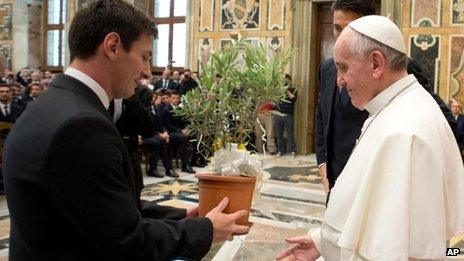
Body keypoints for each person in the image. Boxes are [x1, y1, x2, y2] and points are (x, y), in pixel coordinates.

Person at [2, 0, 250, 260]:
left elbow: (98, 209)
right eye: (144, 57)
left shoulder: (51, 104)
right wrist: (206, 230)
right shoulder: (80, 127)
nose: (145, 72)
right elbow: (126, 241)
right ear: (112, 46)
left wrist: (180, 217)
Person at [277, 15, 464, 260]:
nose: (339, 81)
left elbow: (395, 250)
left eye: (344, 67)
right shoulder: (394, 108)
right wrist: (323, 242)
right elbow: (372, 215)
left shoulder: (405, 133)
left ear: (376, 63)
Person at [314, 0, 455, 200]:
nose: (341, 38)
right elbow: (321, 115)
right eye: (337, 28)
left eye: (350, 29)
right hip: (337, 189)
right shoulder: (327, 70)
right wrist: (322, 162)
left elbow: (444, 125)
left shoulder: (400, 69)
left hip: (379, 193)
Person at [274, 74, 297, 157]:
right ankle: (280, 150)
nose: (284, 81)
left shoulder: (293, 89)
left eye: (285, 79)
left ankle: (293, 151)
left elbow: (293, 98)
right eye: (283, 79)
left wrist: (286, 89)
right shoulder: (278, 90)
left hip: (288, 115)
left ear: (289, 80)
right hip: (278, 114)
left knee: (290, 134)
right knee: (279, 134)